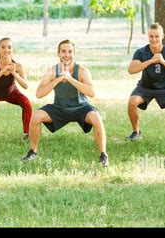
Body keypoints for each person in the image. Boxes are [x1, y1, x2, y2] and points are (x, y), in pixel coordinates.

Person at [22, 39, 109, 167]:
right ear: (58, 53)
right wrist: (57, 80)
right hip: (59, 108)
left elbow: (92, 93)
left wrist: (71, 79)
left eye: (70, 51)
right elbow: (39, 93)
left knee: (96, 117)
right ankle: (33, 152)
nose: (67, 55)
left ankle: (103, 155)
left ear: (74, 53)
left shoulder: (82, 71)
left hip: (81, 108)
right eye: (63, 51)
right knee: (35, 116)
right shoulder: (52, 71)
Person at [127, 23, 165, 141]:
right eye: (151, 36)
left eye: (157, 36)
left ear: (162, 36)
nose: (154, 39)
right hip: (145, 87)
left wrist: (163, 61)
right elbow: (131, 70)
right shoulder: (141, 52)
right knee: (132, 102)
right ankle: (136, 132)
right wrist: (150, 61)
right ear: (148, 36)